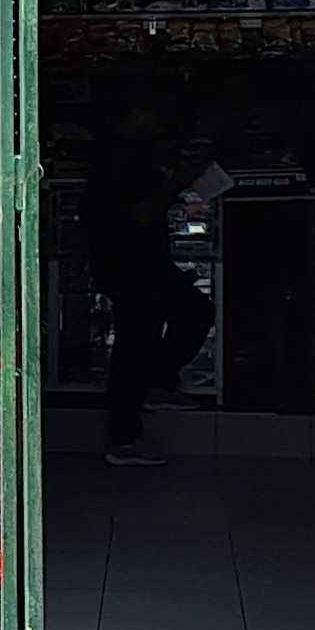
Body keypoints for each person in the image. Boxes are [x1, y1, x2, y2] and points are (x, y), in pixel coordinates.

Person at [82, 105, 212, 469]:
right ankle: (124, 433)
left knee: (173, 322)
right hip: (131, 267)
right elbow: (140, 214)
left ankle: (154, 386)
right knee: (137, 342)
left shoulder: (128, 156)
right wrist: (177, 183)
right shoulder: (121, 162)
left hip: (140, 266)